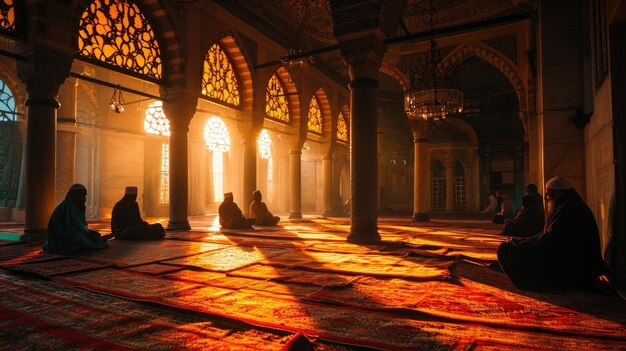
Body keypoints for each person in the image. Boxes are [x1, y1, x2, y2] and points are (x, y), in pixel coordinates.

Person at [497, 176, 610, 292]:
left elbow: (549, 242)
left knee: (505, 250)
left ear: (557, 194)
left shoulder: (568, 210)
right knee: (517, 248)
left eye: (547, 195)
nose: (546, 199)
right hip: (572, 265)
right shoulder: (568, 206)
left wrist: (517, 243)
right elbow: (547, 236)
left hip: (572, 272)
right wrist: (519, 241)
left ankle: (535, 284)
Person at [43, 184, 111, 254]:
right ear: (76, 195)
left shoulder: (76, 207)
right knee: (80, 236)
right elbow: (74, 227)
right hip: (61, 237)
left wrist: (90, 233)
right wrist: (89, 233)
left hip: (71, 232)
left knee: (94, 237)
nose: (84, 198)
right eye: (83, 195)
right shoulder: (68, 208)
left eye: (85, 195)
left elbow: (81, 226)